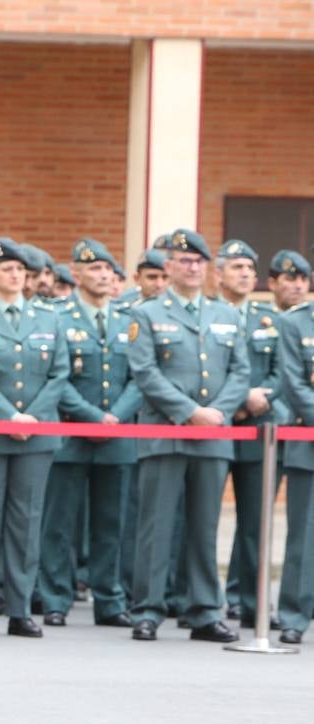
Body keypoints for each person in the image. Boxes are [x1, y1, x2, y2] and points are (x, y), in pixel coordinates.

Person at [127, 228, 247, 643]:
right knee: (155, 526)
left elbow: (240, 372)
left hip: (213, 433)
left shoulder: (227, 315)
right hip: (165, 431)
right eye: (183, 260)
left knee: (205, 526)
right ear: (170, 266)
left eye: (198, 261)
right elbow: (144, 373)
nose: (191, 267)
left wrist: (217, 412)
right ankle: (147, 609)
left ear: (206, 267)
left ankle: (203, 611)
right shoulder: (146, 314)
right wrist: (189, 411)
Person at [0, 237, 68, 638]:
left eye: (21, 270)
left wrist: (31, 417)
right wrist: (9, 416)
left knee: (26, 522)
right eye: (7, 269)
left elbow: (59, 374)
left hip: (34, 436)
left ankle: (20, 608)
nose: (15, 275)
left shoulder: (49, 318)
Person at [35, 239, 138, 628]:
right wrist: (92, 416)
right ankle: (56, 598)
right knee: (60, 523)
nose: (102, 276)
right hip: (70, 435)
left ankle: (110, 599)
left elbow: (139, 377)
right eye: (93, 269)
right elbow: (56, 378)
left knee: (111, 523)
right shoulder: (58, 317)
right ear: (76, 274)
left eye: (108, 270)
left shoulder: (128, 320)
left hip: (117, 436)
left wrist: (115, 417)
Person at [214, 239, 282, 627]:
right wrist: (236, 400)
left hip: (259, 428)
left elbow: (280, 371)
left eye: (249, 269)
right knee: (201, 517)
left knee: (255, 521)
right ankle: (198, 600)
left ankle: (250, 601)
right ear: (218, 272)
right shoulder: (206, 315)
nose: (245, 274)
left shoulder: (267, 321)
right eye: (237, 267)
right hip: (215, 425)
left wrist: (258, 400)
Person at [273, 250, 314, 644]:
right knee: (304, 536)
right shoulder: (293, 322)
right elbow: (293, 382)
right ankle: (294, 616)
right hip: (310, 440)